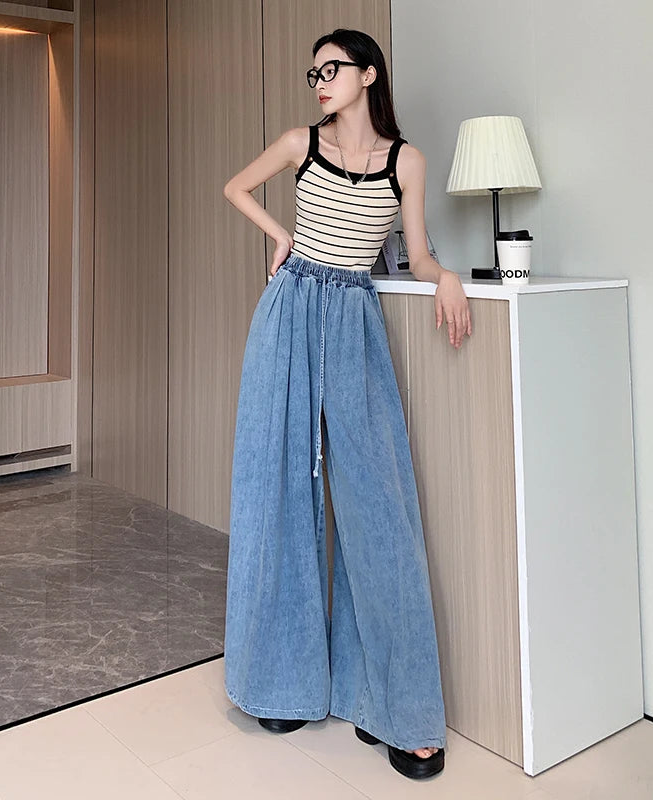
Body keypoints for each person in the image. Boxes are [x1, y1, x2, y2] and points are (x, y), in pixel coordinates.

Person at [221, 28, 471, 780]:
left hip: (356, 323)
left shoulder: (406, 161)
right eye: (314, 73)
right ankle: (279, 680)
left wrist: (447, 278)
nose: (320, 80)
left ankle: (394, 704)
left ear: (368, 74)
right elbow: (235, 187)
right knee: (277, 494)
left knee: (378, 510)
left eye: (331, 68)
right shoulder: (300, 143)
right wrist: (283, 238)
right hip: (288, 315)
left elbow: (417, 255)